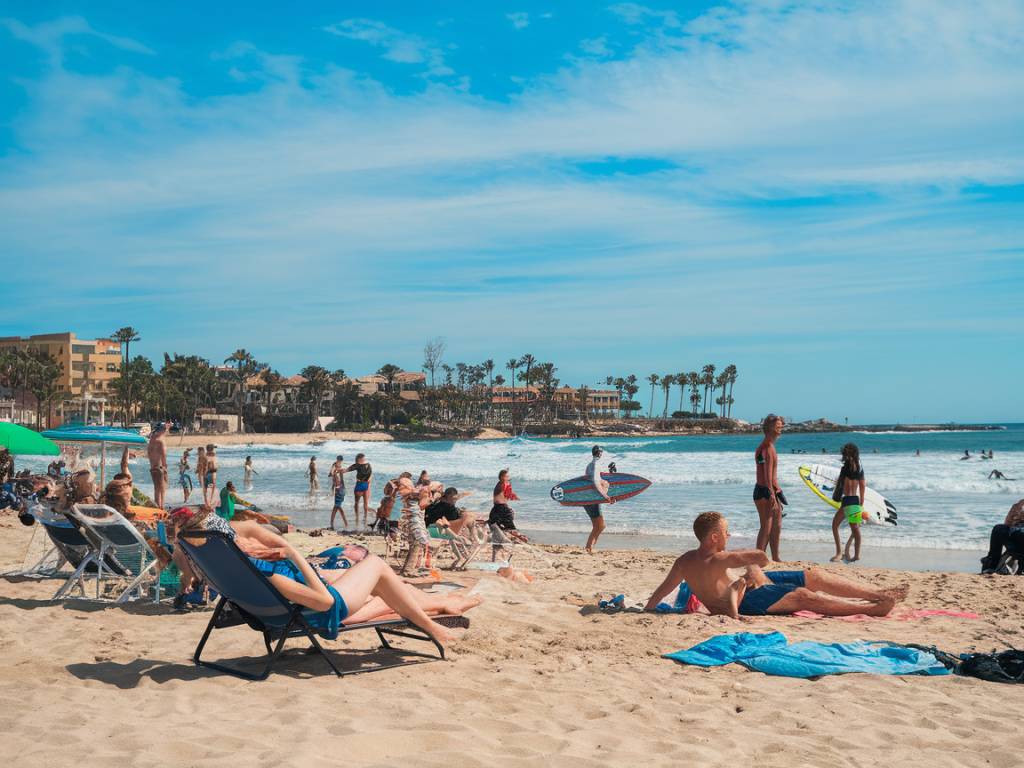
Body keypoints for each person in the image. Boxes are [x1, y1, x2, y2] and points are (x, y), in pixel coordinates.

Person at [174, 506, 477, 646]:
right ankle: (433, 628)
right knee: (377, 567)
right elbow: (322, 602)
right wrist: (293, 556)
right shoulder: (267, 574)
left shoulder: (225, 571)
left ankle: (445, 604)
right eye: (239, 537)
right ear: (233, 541)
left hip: (284, 611)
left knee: (385, 585)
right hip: (324, 611)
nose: (248, 538)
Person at [644, 512, 904, 618]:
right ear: (714, 538)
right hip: (747, 601)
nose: (729, 535)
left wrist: (647, 610)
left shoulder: (684, 561)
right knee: (803, 596)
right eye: (726, 532)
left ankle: (876, 595)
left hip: (749, 589)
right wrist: (754, 567)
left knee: (812, 575)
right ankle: (872, 609)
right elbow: (762, 557)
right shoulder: (721, 558)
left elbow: (662, 590)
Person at [753, 414, 785, 562]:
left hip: (768, 490)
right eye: (778, 427)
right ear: (770, 428)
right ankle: (758, 558)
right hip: (765, 491)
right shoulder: (767, 448)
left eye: (781, 426)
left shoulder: (767, 447)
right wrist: (771, 494)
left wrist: (778, 491)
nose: (780, 429)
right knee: (766, 526)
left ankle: (775, 557)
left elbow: (770, 475)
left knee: (776, 523)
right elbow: (767, 474)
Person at [831, 443, 866, 563]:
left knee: (835, 525)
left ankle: (839, 553)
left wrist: (835, 492)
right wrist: (862, 501)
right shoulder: (859, 470)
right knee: (855, 529)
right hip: (855, 501)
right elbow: (862, 485)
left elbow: (839, 485)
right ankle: (856, 555)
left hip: (846, 502)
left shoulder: (845, 469)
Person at [980, 499, 1024, 574]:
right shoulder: (1019, 505)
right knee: (998, 528)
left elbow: (1008, 523)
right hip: (1016, 536)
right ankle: (992, 563)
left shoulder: (1019, 505)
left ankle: (993, 563)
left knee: (1015, 532)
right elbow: (1007, 523)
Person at [584, 445, 614, 554]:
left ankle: (589, 548)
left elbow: (597, 480)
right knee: (599, 526)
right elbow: (596, 482)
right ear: (600, 453)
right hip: (592, 500)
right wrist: (605, 497)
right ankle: (589, 548)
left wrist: (610, 473)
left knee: (599, 526)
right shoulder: (596, 465)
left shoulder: (590, 465)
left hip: (588, 499)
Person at [488, 469, 527, 541]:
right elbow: (507, 493)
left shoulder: (503, 483)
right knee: (492, 522)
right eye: (507, 476)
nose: (509, 477)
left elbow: (508, 493)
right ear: (502, 477)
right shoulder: (502, 483)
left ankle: (522, 537)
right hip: (498, 508)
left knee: (507, 526)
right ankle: (506, 536)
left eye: (508, 476)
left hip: (502, 508)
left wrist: (513, 495)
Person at [344, 453, 373, 528]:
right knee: (360, 503)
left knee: (362, 504)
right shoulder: (361, 465)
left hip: (362, 485)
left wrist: (369, 484)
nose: (364, 459)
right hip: (363, 485)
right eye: (363, 458)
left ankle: (362, 518)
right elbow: (348, 469)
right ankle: (360, 517)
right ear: (361, 459)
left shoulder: (364, 465)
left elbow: (348, 469)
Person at [147, 422, 169, 509]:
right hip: (160, 467)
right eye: (165, 430)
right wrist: (165, 467)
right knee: (163, 488)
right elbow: (163, 456)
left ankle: (157, 507)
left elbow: (149, 453)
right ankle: (161, 507)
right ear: (162, 430)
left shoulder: (151, 440)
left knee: (156, 489)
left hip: (153, 467)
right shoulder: (160, 442)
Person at [329, 455, 348, 530]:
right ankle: (332, 524)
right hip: (339, 489)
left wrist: (333, 471)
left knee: (338, 507)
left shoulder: (339, 469)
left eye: (339, 461)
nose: (338, 462)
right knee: (336, 508)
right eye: (338, 461)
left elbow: (338, 479)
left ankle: (345, 523)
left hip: (340, 490)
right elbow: (332, 476)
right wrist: (333, 487)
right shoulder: (336, 468)